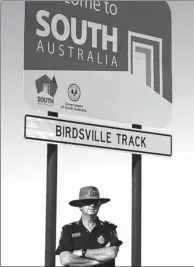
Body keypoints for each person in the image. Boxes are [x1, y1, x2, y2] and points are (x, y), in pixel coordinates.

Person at [56, 186, 123, 266]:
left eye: (95, 202)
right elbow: (65, 259)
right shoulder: (68, 229)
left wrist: (82, 252)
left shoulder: (109, 228)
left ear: (99, 205)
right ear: (80, 206)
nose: (92, 205)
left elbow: (112, 253)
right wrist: (94, 262)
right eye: (88, 202)